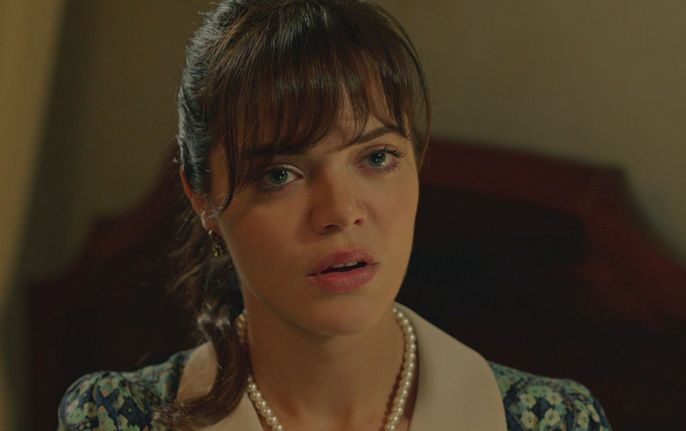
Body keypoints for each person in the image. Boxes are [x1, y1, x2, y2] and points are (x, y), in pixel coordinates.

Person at [57, 0, 611, 430]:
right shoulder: (117, 419)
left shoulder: (552, 421)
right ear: (201, 196)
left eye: (377, 158)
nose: (341, 212)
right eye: (279, 174)